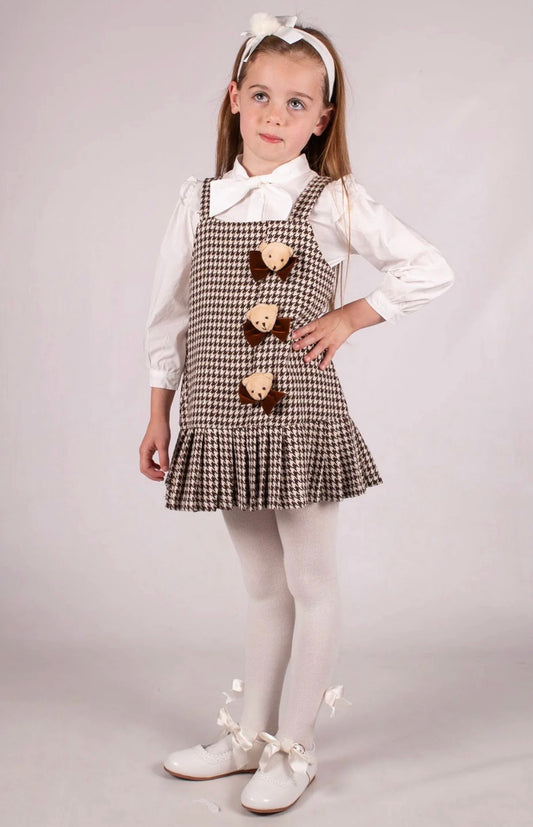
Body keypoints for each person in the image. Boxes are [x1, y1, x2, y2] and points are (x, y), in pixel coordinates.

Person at [139, 12, 455, 815]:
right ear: (233, 99)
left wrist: (351, 315)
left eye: (296, 103)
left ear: (322, 118)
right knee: (260, 585)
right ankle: (250, 735)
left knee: (310, 580)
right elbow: (169, 315)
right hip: (218, 417)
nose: (275, 116)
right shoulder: (199, 200)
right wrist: (158, 411)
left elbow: (427, 267)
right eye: (261, 96)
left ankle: (296, 745)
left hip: (299, 420)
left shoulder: (331, 199)